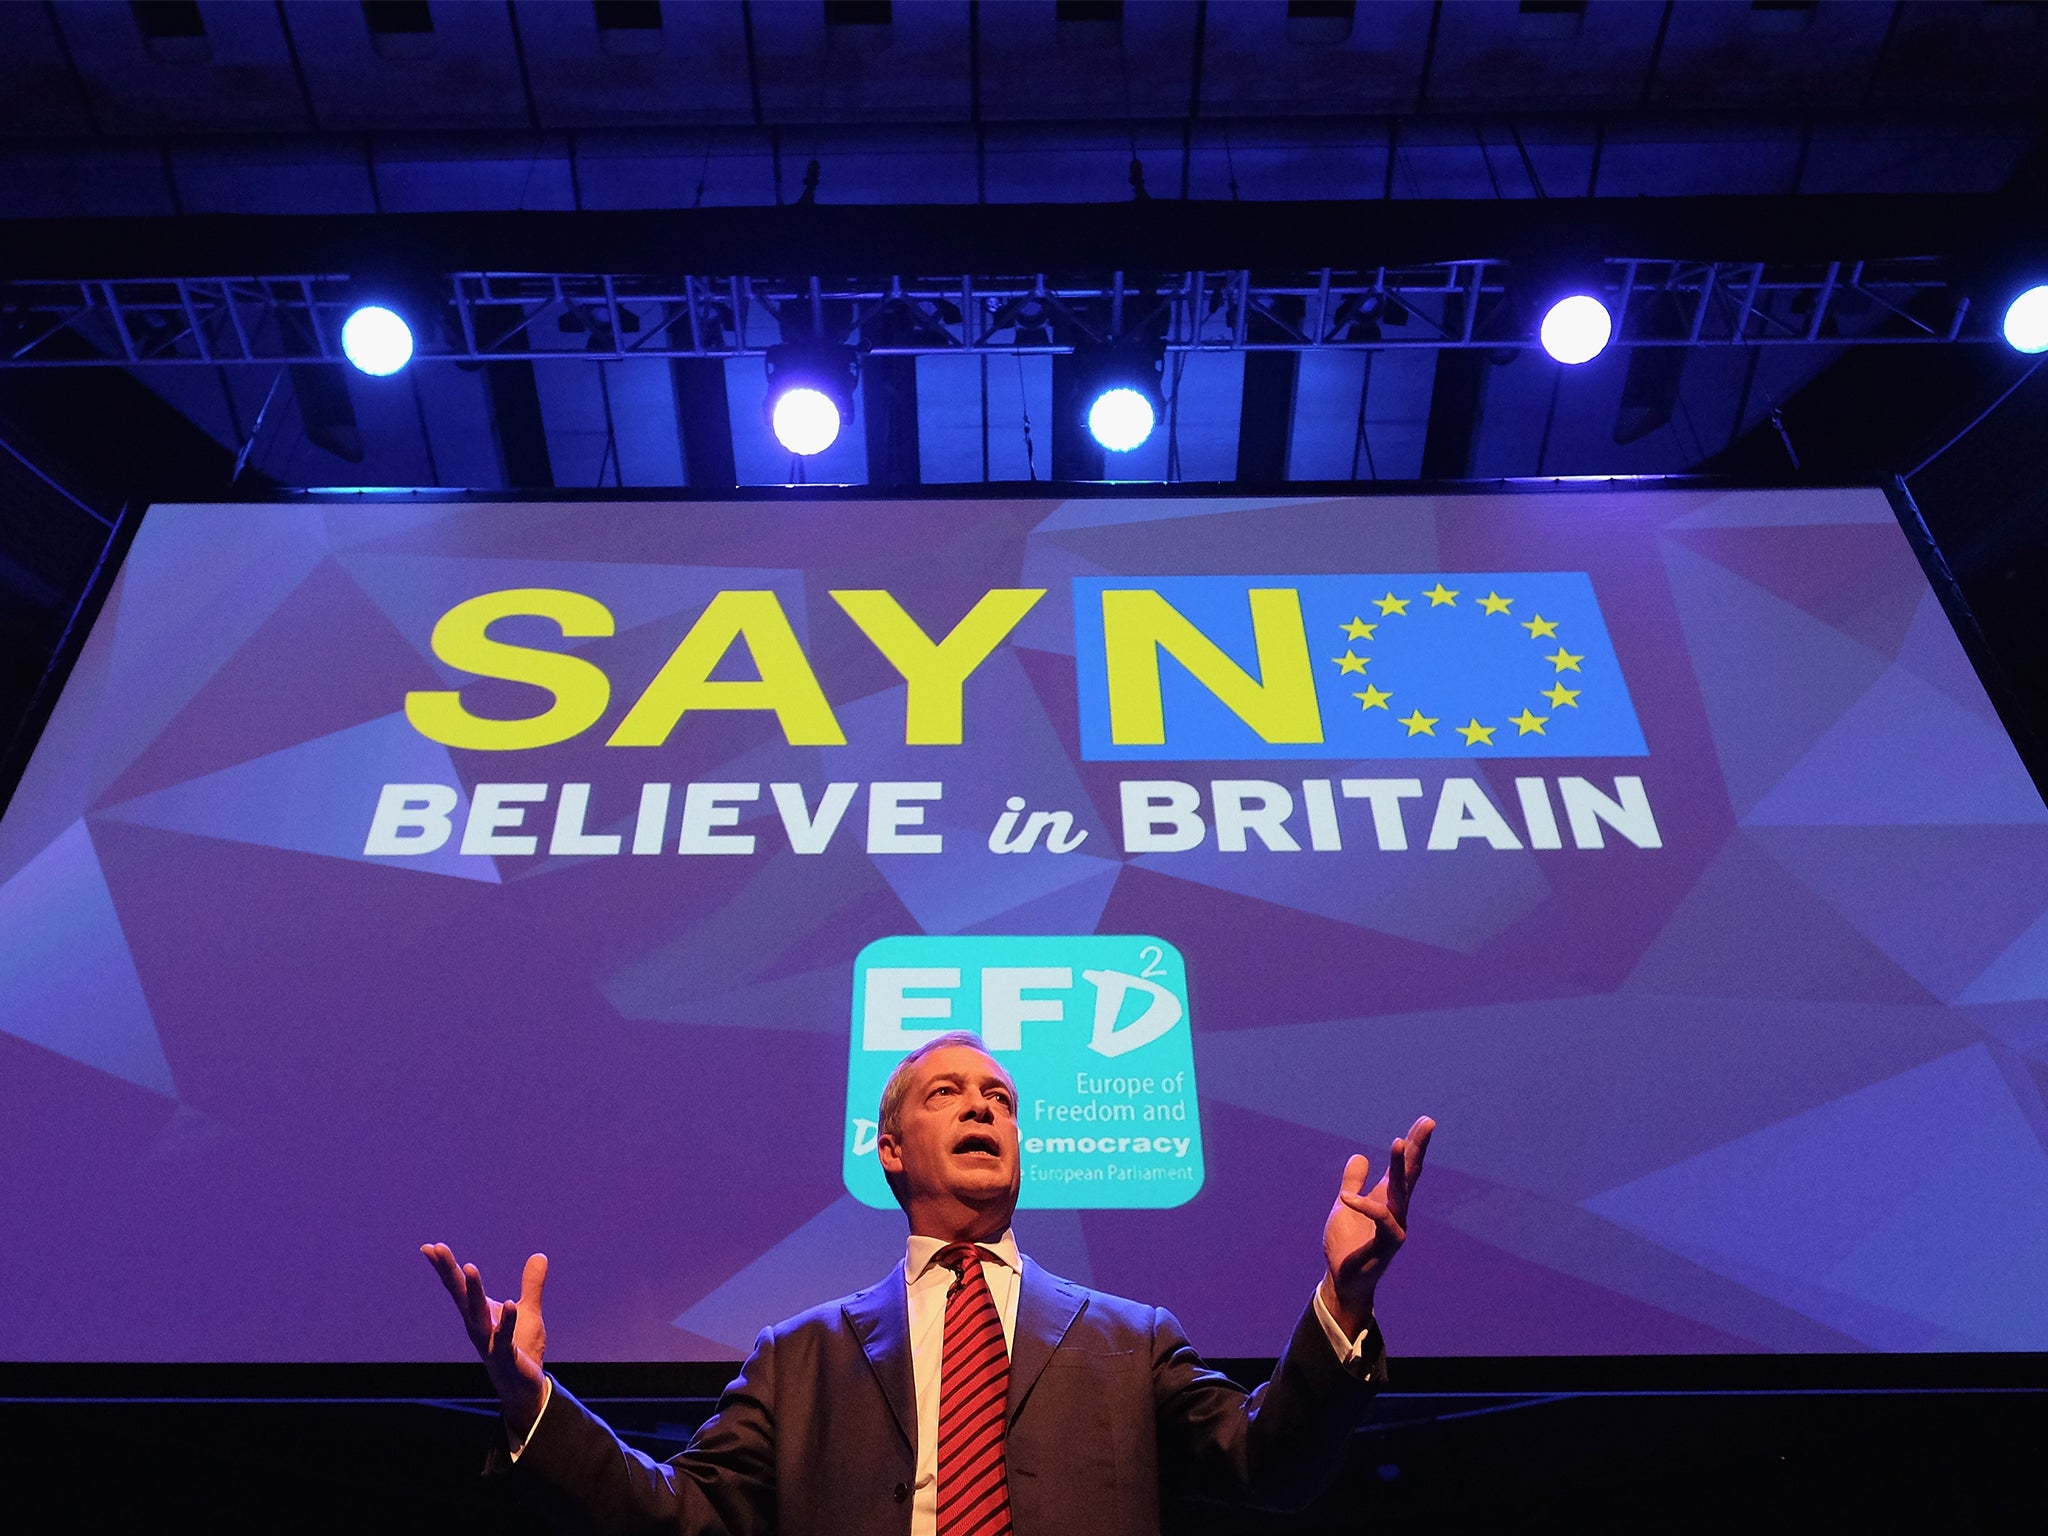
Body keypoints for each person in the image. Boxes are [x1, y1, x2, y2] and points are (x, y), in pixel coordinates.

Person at [424, 1030, 1433, 1536]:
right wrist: (533, 1406)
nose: (982, 1106)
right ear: (890, 1149)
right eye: (948, 1094)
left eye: (999, 1096)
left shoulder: (1130, 1341)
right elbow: (678, 1515)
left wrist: (1343, 1301)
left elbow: (1273, 1465)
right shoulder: (800, 1359)